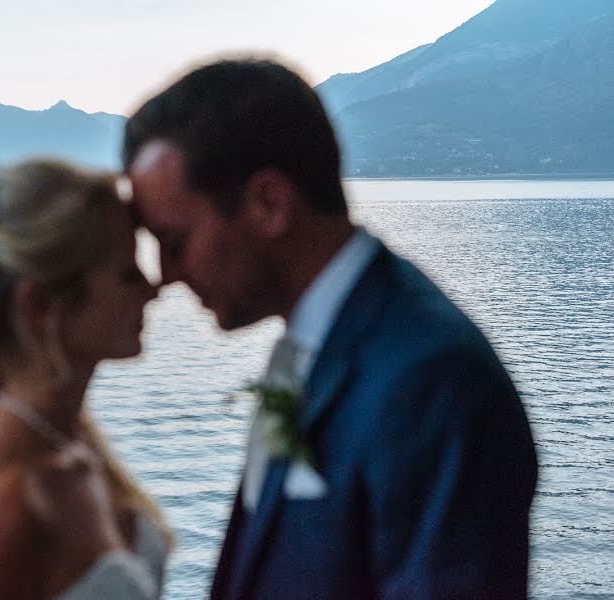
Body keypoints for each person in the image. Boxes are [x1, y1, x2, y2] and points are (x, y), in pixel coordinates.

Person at [123, 58, 538, 599]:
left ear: (269, 204)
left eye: (175, 243)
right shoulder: (318, 344)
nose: (168, 276)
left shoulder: (433, 380)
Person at [0, 160, 170, 599]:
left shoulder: (69, 444)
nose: (153, 288)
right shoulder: (0, 505)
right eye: (128, 273)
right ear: (42, 306)